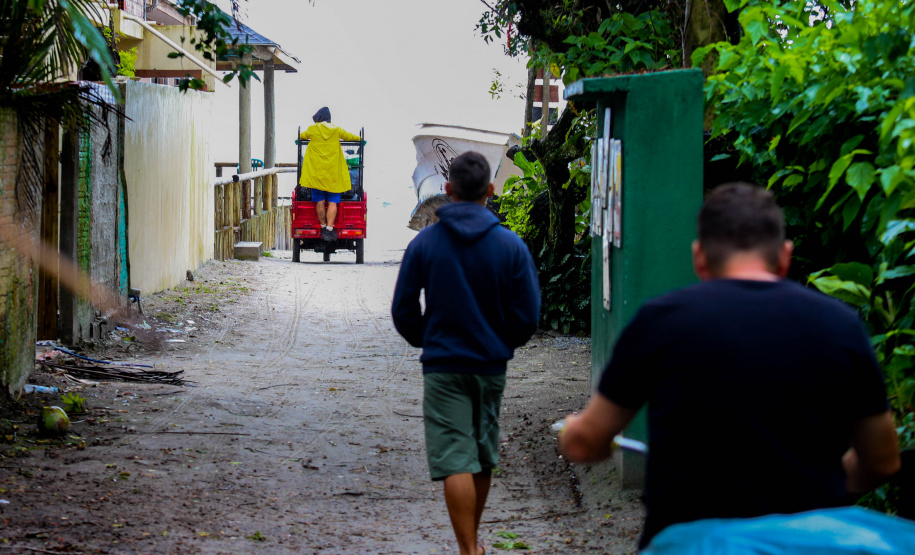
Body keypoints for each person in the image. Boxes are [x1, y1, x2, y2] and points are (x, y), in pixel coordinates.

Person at [558, 183, 901, 549]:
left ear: (699, 257)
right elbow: (882, 461)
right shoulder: (842, 324)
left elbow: (585, 444)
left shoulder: (661, 321)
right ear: (785, 256)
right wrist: (821, 482)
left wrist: (573, 431)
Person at [391, 151, 541, 555]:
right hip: (490, 366)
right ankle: (471, 545)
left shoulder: (424, 244)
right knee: (481, 452)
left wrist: (428, 339)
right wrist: (501, 342)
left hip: (444, 367)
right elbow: (528, 315)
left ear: (447, 190)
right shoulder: (511, 246)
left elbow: (403, 308)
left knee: (456, 457)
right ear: (491, 191)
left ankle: (469, 548)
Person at [298, 107, 361, 241]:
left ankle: (322, 226)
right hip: (333, 174)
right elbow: (349, 136)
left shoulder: (312, 129)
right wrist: (360, 139)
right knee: (333, 201)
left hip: (316, 174)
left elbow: (301, 136)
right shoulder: (336, 129)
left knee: (319, 201)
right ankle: (329, 229)